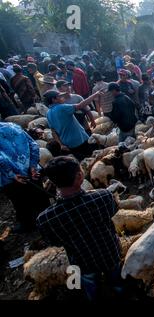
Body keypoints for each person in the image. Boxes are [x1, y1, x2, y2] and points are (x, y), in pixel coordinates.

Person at [37, 157, 123, 301]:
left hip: (81, 262)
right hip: (109, 252)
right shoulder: (103, 196)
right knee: (116, 278)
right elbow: (113, 212)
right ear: (80, 176)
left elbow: (55, 243)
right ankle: (120, 292)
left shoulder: (46, 219)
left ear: (52, 183)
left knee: (89, 285)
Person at [0, 123, 50, 233]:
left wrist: (12, 174)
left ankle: (29, 225)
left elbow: (1, 160)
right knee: (40, 196)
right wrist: (32, 165)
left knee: (20, 202)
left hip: (11, 179)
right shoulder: (13, 126)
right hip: (31, 171)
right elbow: (34, 145)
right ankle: (49, 218)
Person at [44, 90, 99, 161]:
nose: (62, 98)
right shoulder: (62, 107)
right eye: (59, 97)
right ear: (54, 99)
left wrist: (61, 145)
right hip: (79, 140)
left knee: (81, 161)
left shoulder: (48, 113)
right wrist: (95, 95)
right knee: (91, 159)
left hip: (67, 143)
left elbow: (53, 131)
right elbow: (80, 105)